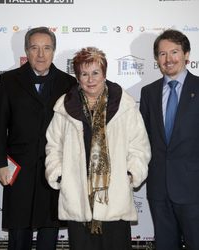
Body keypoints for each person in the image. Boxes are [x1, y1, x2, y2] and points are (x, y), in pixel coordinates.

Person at [45, 47, 151, 250]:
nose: (90, 79)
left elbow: (139, 145)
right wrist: (59, 174)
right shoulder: (65, 106)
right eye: (84, 74)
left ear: (104, 73)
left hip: (114, 198)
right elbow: (53, 145)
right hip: (78, 198)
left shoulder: (124, 105)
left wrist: (130, 174)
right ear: (77, 77)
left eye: (95, 72)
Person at [0, 26, 77, 250]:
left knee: (49, 231)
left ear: (53, 51)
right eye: (35, 48)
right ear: (26, 51)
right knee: (19, 233)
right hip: (18, 169)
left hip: (54, 168)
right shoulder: (9, 80)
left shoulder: (69, 83)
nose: (41, 54)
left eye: (46, 48)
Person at [140, 29, 199, 250]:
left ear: (186, 55)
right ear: (157, 60)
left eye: (174, 52)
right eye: (162, 54)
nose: (168, 59)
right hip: (159, 189)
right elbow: (143, 138)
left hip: (194, 189)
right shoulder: (149, 93)